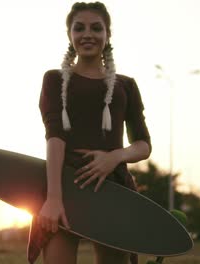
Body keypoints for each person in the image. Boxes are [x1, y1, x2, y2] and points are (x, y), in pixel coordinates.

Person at [28, 2, 152, 264]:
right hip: (64, 189)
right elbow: (55, 137)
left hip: (113, 191)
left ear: (108, 35)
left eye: (97, 28)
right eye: (79, 28)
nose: (88, 34)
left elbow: (143, 145)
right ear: (69, 35)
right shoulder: (54, 80)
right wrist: (53, 198)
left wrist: (114, 157)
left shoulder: (126, 86)